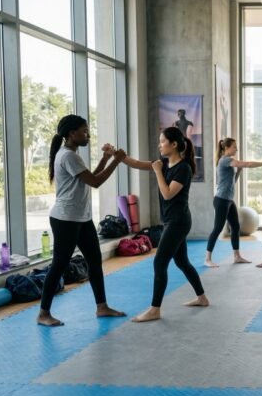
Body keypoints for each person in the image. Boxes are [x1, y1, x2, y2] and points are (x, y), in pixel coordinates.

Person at [37, 114, 127, 327]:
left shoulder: (72, 155)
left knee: (94, 261)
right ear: (71, 134)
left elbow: (87, 179)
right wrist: (117, 161)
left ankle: (102, 307)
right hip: (65, 219)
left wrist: (105, 160)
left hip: (81, 218)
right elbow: (95, 182)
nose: (88, 134)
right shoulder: (68, 156)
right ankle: (43, 313)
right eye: (84, 131)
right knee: (59, 265)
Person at [119, 127, 209, 322]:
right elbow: (135, 163)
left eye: (162, 141)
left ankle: (154, 309)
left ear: (174, 144)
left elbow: (168, 193)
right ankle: (202, 298)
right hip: (172, 221)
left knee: (160, 262)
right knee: (182, 262)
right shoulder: (164, 164)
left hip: (178, 222)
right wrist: (118, 156)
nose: (159, 144)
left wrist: (159, 171)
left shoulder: (183, 168)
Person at [205, 138, 262, 267]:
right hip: (221, 200)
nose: (236, 149)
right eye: (234, 147)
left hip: (228, 200)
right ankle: (207, 259)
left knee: (235, 227)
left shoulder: (228, 162)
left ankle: (237, 256)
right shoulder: (225, 160)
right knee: (217, 228)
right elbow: (248, 164)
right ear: (226, 148)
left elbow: (232, 182)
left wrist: (238, 171)